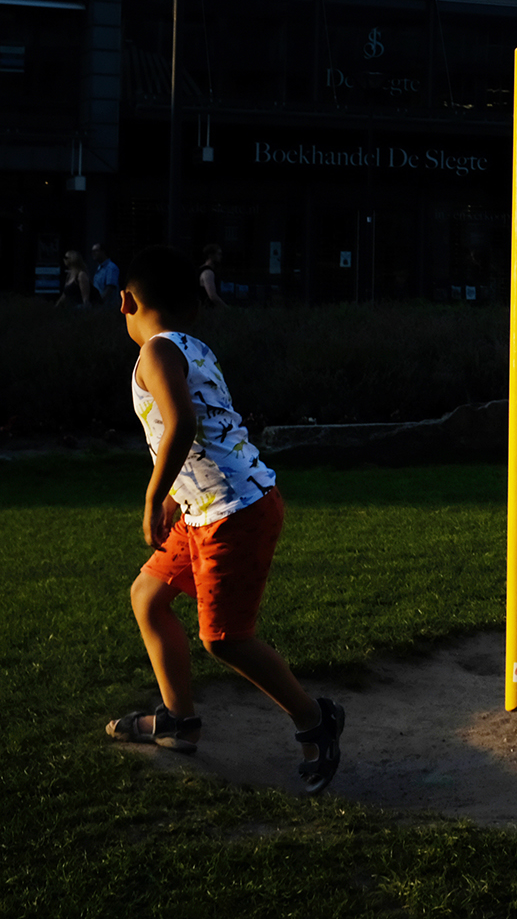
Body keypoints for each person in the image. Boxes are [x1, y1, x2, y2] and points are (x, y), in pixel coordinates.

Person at [105, 245, 344, 793]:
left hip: (231, 512)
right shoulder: (193, 348)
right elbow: (207, 427)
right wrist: (177, 497)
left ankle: (315, 719)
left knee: (226, 638)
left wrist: (152, 495)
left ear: (125, 301)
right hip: (210, 506)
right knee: (148, 595)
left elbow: (184, 423)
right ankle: (179, 720)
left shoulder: (156, 355)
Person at [198, 243, 227, 308]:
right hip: (208, 311)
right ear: (211, 256)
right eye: (218, 254)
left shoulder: (202, 270)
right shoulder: (208, 272)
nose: (220, 257)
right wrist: (228, 309)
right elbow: (213, 296)